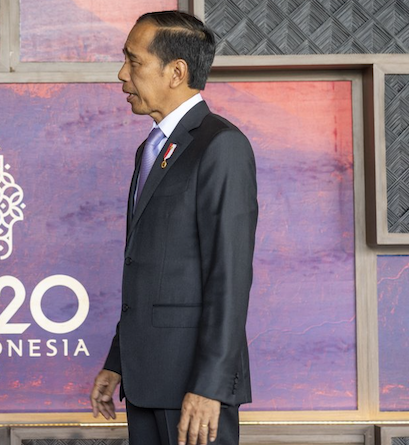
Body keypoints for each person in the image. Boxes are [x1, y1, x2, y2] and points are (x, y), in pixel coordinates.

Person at [90, 10, 258, 445]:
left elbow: (229, 276)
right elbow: (149, 272)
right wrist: (119, 360)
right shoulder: (151, 148)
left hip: (194, 387)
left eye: (134, 61)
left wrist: (211, 386)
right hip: (147, 378)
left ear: (176, 72)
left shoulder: (221, 146)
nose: (122, 74)